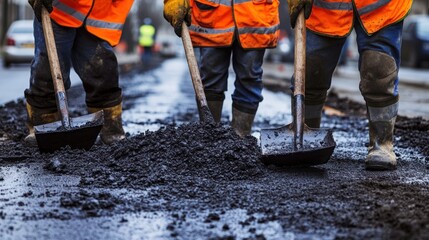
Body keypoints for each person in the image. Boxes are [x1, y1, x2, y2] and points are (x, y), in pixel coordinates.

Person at [287, 0, 412, 170]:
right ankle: (305, 139)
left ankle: (382, 143)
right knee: (311, 71)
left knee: (379, 68)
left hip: (381, 7)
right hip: (325, 9)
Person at [163, 0, 280, 137]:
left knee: (249, 78)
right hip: (212, 17)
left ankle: (241, 139)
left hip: (255, 15)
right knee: (211, 78)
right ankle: (209, 136)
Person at [24, 0, 134, 145]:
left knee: (103, 70)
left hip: (99, 17)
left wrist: (174, 7)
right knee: (48, 71)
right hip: (57, 9)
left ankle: (109, 129)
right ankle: (42, 127)